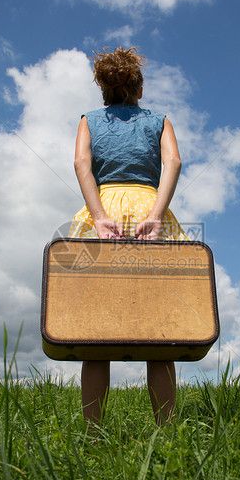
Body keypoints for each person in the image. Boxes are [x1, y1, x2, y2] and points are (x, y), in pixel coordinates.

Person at [68, 47, 188, 427]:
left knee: (95, 333)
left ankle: (93, 435)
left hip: (100, 211)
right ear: (138, 88)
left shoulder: (89, 120)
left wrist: (100, 218)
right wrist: (155, 216)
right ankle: (167, 434)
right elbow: (174, 162)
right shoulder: (160, 120)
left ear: (104, 90)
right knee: (160, 331)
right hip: (147, 209)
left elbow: (81, 165)